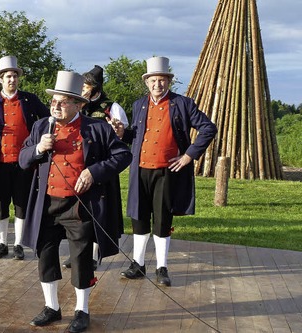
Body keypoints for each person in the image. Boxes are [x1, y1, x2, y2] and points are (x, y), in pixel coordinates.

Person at [19, 71, 132, 332]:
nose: (56, 106)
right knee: (45, 255)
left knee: (81, 258)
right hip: (47, 203)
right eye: (53, 102)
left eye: (63, 102)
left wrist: (94, 172)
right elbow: (23, 159)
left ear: (78, 104)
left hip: (79, 205)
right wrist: (37, 149)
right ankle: (52, 307)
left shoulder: (97, 128)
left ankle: (82, 310)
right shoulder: (40, 127)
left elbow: (123, 155)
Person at [120, 56, 217, 287]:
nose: (157, 85)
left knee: (162, 219)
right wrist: (122, 133)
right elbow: (136, 134)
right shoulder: (138, 105)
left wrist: (188, 156)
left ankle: (161, 267)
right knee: (139, 217)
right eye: (153, 80)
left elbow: (208, 128)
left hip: (166, 171)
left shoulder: (183, 104)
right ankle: (138, 263)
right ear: (147, 82)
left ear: (168, 81)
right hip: (140, 169)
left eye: (162, 80)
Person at [0, 55, 49, 260]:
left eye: (14, 76)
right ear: (1, 79)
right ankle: (2, 242)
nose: (12, 80)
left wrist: (38, 142)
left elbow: (46, 120)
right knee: (1, 203)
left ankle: (18, 243)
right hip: (0, 161)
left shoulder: (29, 99)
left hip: (24, 161)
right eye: (8, 76)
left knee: (21, 203)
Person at [62, 65, 129, 270]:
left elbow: (122, 136)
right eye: (81, 85)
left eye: (86, 85)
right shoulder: (77, 105)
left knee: (96, 212)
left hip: (102, 166)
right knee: (78, 212)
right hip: (78, 165)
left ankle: (91, 255)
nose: (83, 89)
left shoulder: (111, 107)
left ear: (95, 87)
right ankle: (78, 252)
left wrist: (118, 131)